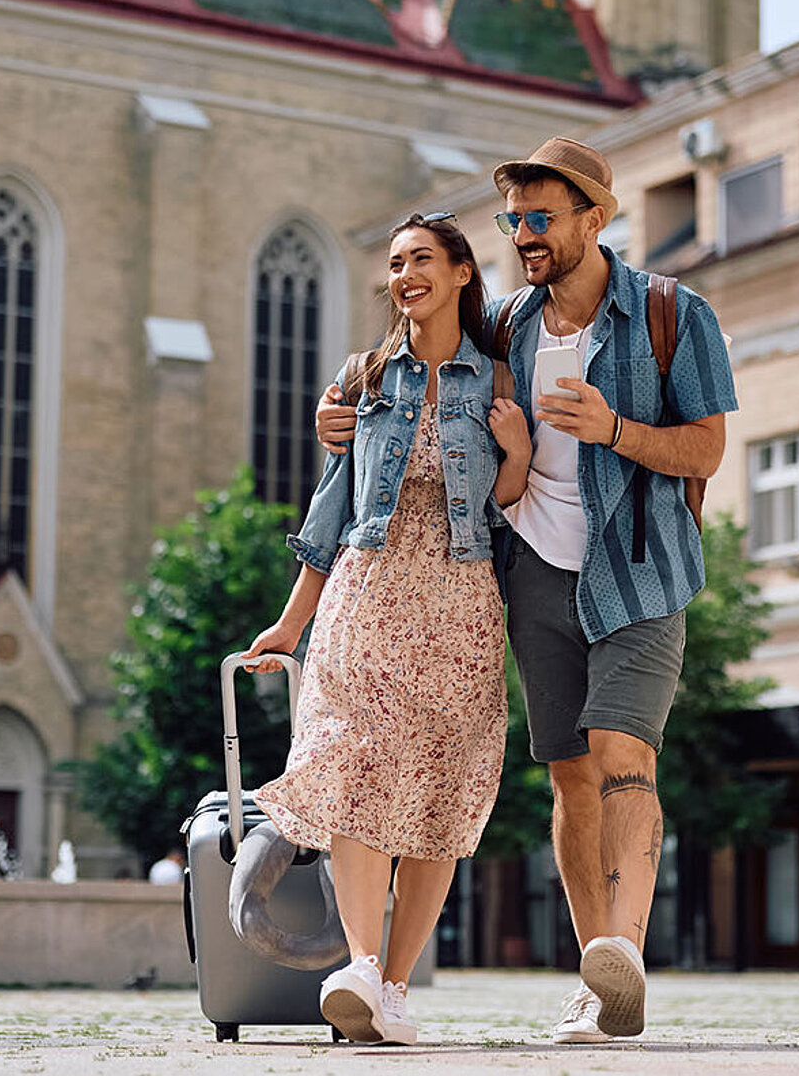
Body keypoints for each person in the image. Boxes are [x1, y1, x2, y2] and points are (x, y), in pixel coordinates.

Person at [316, 138, 737, 1044]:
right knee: (571, 776)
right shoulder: (505, 324)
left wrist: (616, 427)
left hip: (642, 569)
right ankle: (598, 982)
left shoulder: (673, 313)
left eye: (542, 220)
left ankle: (622, 947)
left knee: (624, 751)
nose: (526, 236)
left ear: (595, 218)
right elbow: (414, 374)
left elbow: (705, 448)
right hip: (536, 573)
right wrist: (340, 408)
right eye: (514, 222)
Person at [242, 212, 532, 1047]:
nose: (404, 276)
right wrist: (291, 625)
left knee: (439, 794)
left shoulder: (499, 379)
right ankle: (362, 966)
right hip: (365, 599)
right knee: (354, 773)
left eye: (421, 261)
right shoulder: (364, 377)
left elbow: (510, 511)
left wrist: (513, 457)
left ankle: (393, 992)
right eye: (395, 264)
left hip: (460, 602)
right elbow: (331, 509)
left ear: (462, 273)